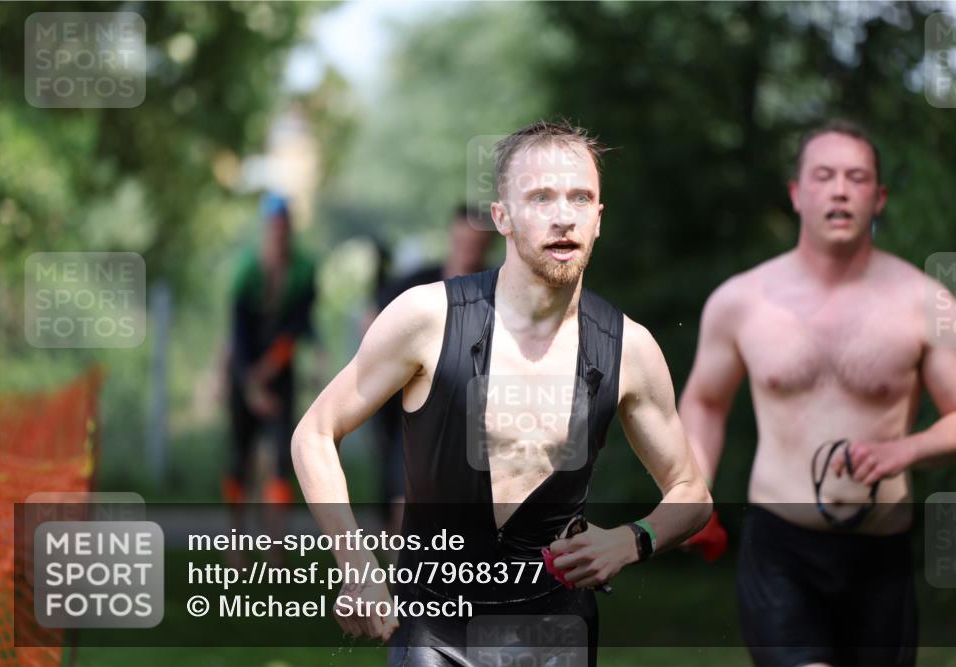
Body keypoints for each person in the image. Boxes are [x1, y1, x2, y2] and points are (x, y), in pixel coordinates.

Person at [292, 120, 711, 665]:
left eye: (580, 198)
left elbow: (692, 493)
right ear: (502, 217)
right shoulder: (428, 318)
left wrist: (632, 540)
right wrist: (356, 564)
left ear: (599, 219)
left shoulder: (629, 348)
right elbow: (315, 433)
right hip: (434, 628)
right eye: (541, 198)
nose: (564, 216)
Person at [679, 119, 956, 667]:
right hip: (781, 548)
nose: (841, 189)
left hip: (881, 555)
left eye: (857, 177)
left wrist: (905, 450)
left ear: (879, 197)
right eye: (824, 176)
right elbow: (705, 401)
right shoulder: (742, 300)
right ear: (798, 195)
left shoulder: (925, 302)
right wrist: (693, 490)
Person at [370, 205, 494, 534]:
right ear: (453, 236)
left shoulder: (501, 292)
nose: (470, 250)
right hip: (413, 412)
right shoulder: (415, 287)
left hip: (474, 419)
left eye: (478, 243)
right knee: (402, 503)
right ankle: (400, 582)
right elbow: (373, 325)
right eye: (465, 241)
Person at [224, 192, 317, 506]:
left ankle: (277, 548)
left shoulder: (303, 271)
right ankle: (235, 546)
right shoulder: (246, 271)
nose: (278, 232)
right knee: (239, 457)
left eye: (283, 225)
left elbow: (297, 328)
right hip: (244, 370)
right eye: (273, 225)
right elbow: (237, 334)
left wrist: (266, 374)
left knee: (282, 457)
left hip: (279, 373)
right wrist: (249, 383)